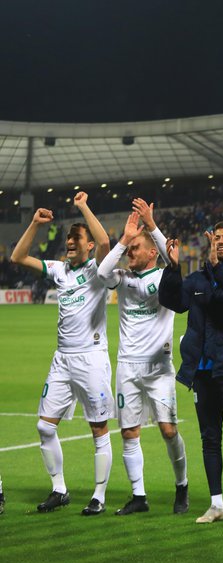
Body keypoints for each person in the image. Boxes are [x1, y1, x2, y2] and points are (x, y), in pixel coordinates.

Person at [11, 192, 114, 515]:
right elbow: (18, 257)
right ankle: (59, 489)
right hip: (62, 360)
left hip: (92, 358)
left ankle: (98, 495)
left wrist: (83, 206)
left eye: (76, 238)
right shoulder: (58, 270)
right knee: (44, 427)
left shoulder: (98, 270)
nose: (70, 242)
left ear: (86, 246)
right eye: (68, 238)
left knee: (98, 428)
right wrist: (34, 224)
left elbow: (106, 242)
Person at [159, 221, 223, 524]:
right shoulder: (199, 278)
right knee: (209, 439)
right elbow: (173, 301)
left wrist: (218, 267)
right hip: (203, 371)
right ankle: (216, 504)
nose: (220, 241)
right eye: (216, 237)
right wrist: (173, 267)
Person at [97, 199, 188, 516]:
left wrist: (151, 226)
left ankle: (182, 486)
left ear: (152, 254)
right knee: (129, 432)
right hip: (127, 368)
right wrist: (124, 239)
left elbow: (174, 261)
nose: (130, 252)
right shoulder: (122, 278)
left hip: (159, 369)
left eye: (136, 248)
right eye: (128, 248)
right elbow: (101, 271)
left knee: (168, 430)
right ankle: (139, 496)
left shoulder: (165, 278)